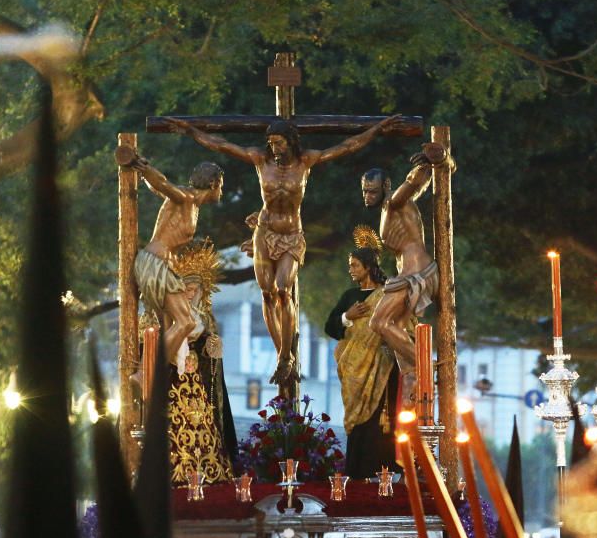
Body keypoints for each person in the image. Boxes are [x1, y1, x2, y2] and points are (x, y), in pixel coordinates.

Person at [165, 114, 401, 388]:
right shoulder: (259, 160)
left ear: (290, 141)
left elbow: (346, 147)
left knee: (282, 289)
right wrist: (190, 130)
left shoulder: (306, 162)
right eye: (270, 143)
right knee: (266, 294)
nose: (274, 149)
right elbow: (220, 145)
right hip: (264, 234)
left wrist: (377, 129)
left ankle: (287, 354)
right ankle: (282, 354)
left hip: (290, 235)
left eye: (278, 143)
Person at [361, 143, 455, 407]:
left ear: (385, 185)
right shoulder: (387, 208)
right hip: (411, 272)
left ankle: (426, 365)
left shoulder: (393, 202)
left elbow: (411, 186)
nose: (367, 196)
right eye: (365, 191)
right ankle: (412, 374)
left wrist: (425, 164)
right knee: (396, 329)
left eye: (372, 190)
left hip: (417, 273)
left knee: (378, 323)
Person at [127, 151, 224, 379]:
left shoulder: (191, 205)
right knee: (186, 322)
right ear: (213, 183)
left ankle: (154, 377)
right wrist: (144, 168)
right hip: (155, 264)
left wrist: (147, 176)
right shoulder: (187, 198)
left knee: (174, 325)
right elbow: (163, 184)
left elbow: (158, 188)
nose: (222, 191)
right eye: (221, 186)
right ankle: (144, 375)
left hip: (162, 267)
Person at [324, 227, 403, 478]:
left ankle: (383, 473)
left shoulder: (388, 293)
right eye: (350, 265)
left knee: (382, 419)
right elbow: (331, 326)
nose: (351, 270)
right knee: (358, 423)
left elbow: (401, 324)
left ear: (368, 266)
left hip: (383, 365)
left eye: (355, 265)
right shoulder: (350, 296)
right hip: (353, 371)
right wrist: (348, 316)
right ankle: (357, 472)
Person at [167, 240, 238, 483]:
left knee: (205, 429)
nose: (191, 293)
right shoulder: (170, 315)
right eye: (187, 288)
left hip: (199, 385)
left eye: (195, 289)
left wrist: (213, 350)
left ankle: (210, 474)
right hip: (176, 382)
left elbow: (212, 360)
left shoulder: (205, 318)